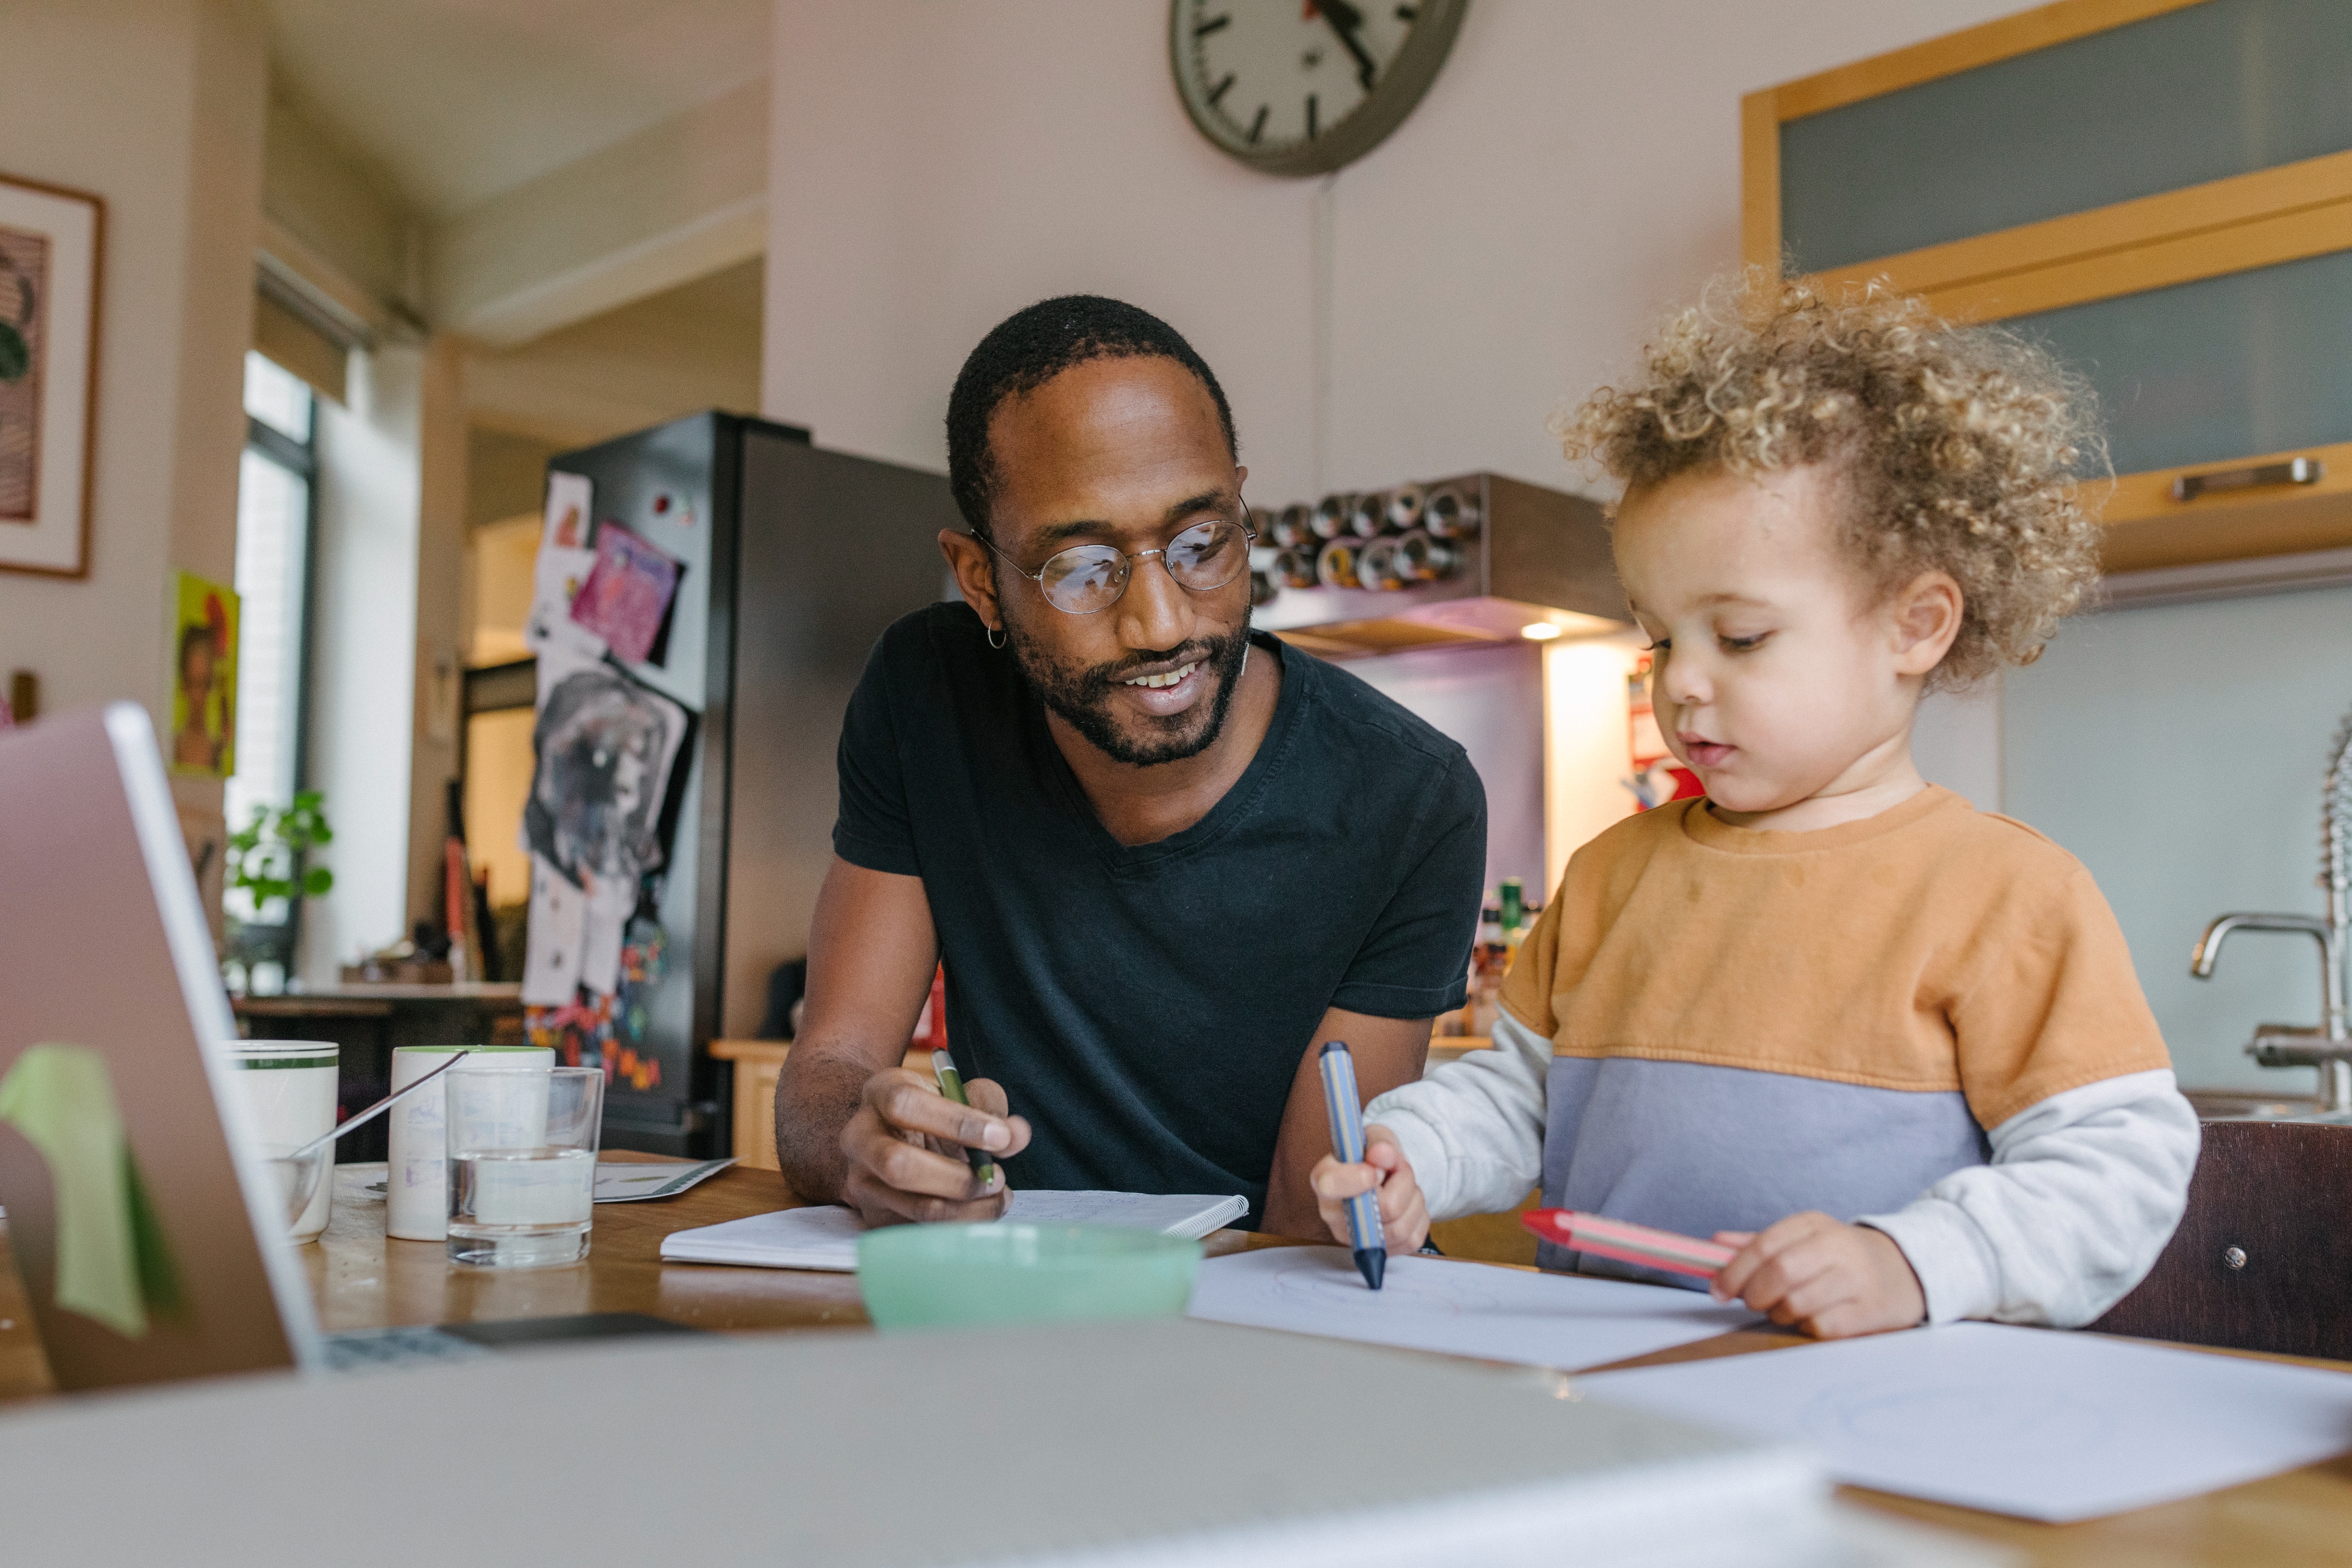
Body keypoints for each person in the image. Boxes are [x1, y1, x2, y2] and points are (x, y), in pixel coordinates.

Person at [1312, 276, 2200, 1337]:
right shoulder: (1612, 877)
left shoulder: (2007, 894)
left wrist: (1911, 1261)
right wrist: (1418, 1154)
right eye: (1658, 637)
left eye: (1738, 637)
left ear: (1914, 625)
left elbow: (2116, 1172)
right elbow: (1519, 1100)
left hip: (1881, 1407)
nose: (1680, 681)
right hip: (1615, 1391)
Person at [774, 295, 1486, 1237]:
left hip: (1255, 1316)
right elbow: (834, 1063)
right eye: (1080, 566)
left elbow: (1308, 1228)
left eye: (1201, 543)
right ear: (982, 579)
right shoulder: (928, 695)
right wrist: (858, 1144)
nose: (1163, 623)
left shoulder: (1409, 797)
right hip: (1020, 1294)